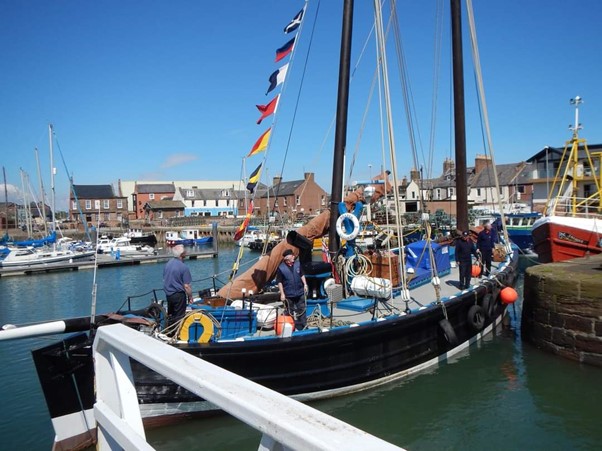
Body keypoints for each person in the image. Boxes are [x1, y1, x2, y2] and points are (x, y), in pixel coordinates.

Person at [276, 248, 308, 330]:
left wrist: (305, 284)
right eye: (292, 256)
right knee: (289, 311)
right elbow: (279, 282)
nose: (294, 257)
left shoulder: (298, 264)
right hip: (289, 294)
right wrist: (282, 294)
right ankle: (290, 327)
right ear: (287, 258)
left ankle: (304, 326)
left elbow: (302, 274)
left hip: (299, 292)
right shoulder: (281, 268)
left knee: (302, 309)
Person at [163, 244, 193, 325]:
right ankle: (178, 334)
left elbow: (165, 278)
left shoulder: (168, 264)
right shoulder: (184, 267)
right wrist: (190, 296)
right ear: (182, 254)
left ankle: (170, 331)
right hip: (178, 295)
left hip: (169, 294)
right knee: (179, 316)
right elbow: (186, 286)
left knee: (171, 315)